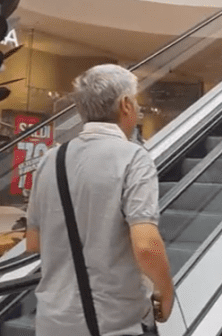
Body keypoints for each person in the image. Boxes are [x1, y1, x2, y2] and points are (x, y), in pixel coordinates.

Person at [26, 64, 174, 335]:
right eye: (137, 102)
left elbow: (34, 242)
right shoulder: (133, 158)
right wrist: (165, 292)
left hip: (52, 322)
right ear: (126, 105)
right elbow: (145, 245)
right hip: (114, 323)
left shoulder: (50, 160)